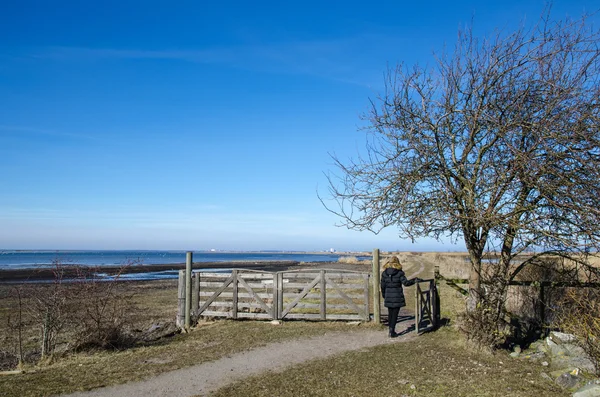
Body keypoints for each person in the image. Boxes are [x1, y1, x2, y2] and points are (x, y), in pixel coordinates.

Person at [380, 256, 420, 338]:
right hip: (397, 295)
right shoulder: (399, 273)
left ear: (388, 263)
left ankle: (390, 330)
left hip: (388, 295)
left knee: (390, 314)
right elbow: (406, 283)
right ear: (397, 262)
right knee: (395, 314)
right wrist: (414, 280)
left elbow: (382, 286)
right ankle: (392, 331)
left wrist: (384, 295)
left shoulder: (384, 273)